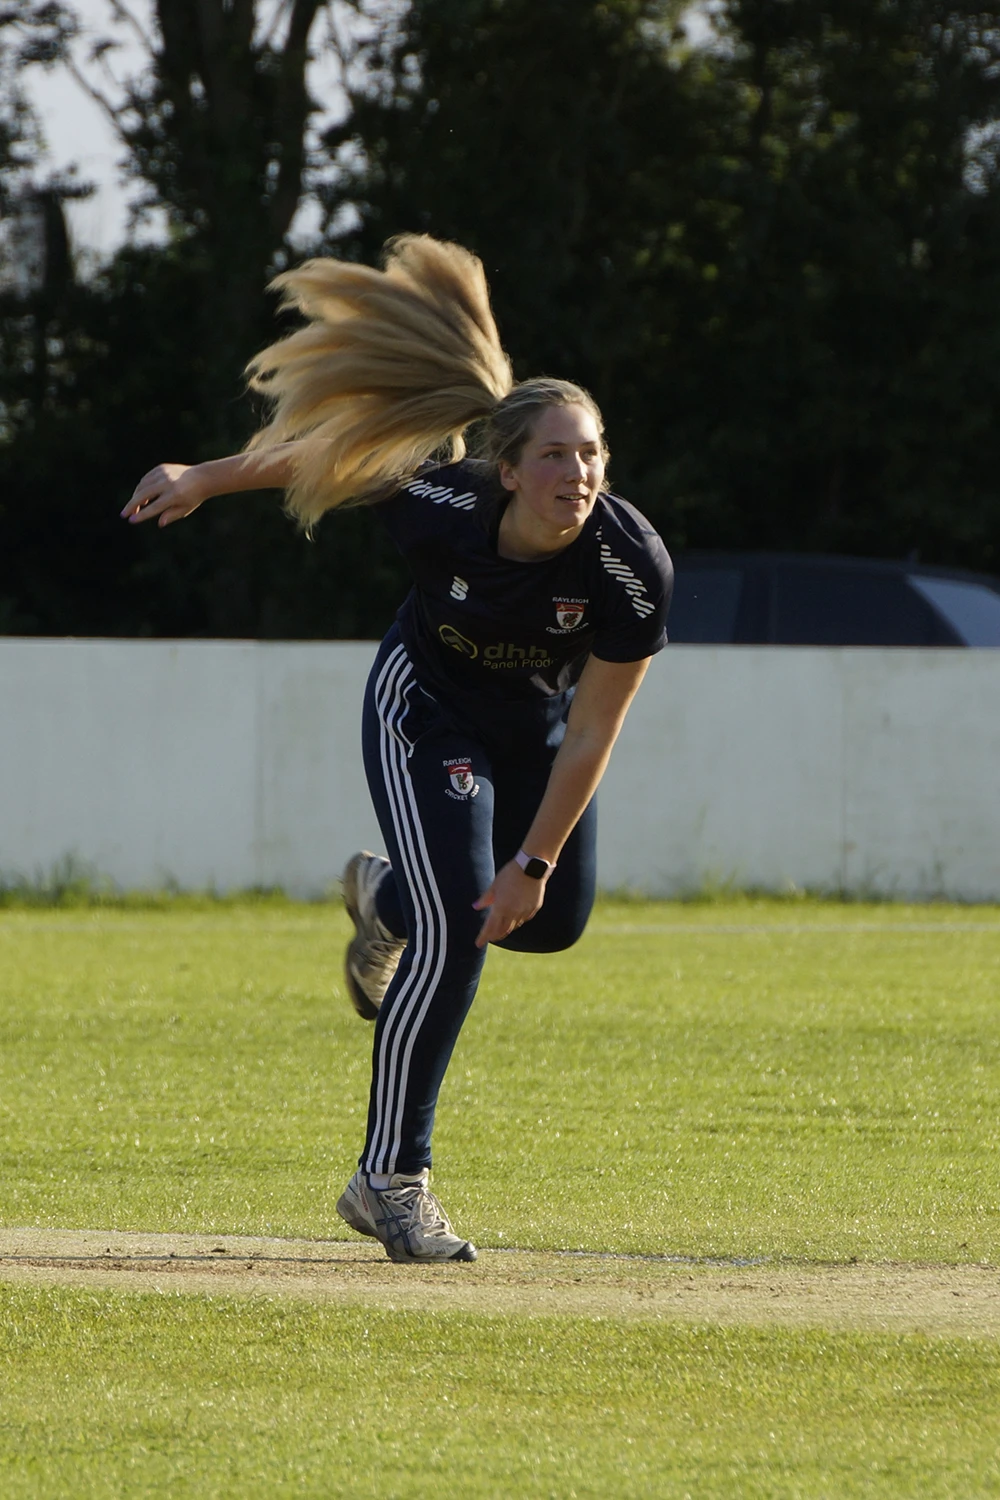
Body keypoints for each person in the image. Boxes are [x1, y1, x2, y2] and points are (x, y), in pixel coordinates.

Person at [123, 235, 673, 1264]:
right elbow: (316, 457)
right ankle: (390, 1179)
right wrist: (200, 475)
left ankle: (385, 898)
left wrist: (535, 864)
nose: (577, 471)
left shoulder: (630, 566)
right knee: (463, 928)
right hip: (424, 708)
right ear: (505, 470)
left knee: (545, 928)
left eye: (592, 451)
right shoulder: (438, 501)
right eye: (554, 453)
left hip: (536, 732)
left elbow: (595, 725)